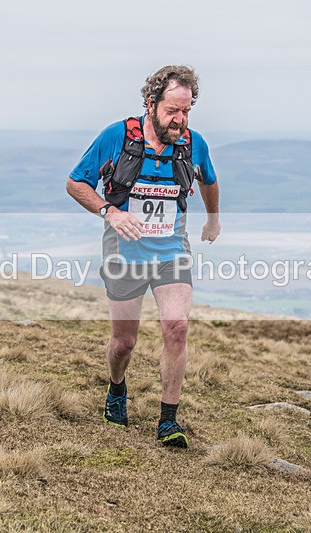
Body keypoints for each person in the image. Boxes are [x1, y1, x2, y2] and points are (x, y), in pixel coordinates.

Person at [66, 65, 221, 448]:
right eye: (172, 110)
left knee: (177, 328)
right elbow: (75, 182)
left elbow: (209, 180)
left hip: (172, 252)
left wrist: (213, 219)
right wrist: (110, 212)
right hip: (125, 253)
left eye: (186, 111)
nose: (180, 120)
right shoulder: (116, 137)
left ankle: (168, 420)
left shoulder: (192, 143)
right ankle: (117, 388)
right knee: (125, 342)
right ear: (150, 104)